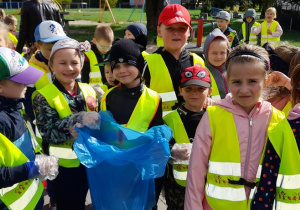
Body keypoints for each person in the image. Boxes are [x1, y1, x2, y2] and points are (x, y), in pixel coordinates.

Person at [185, 44, 300, 209]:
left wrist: (289, 83)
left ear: (267, 80)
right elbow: (195, 172)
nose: (244, 89)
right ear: (227, 81)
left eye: (253, 81)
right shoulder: (213, 116)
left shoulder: (277, 118)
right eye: (237, 82)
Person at [32, 38, 99, 209]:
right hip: (64, 169)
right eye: (62, 63)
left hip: (91, 162)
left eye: (74, 62)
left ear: (82, 64)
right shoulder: (43, 96)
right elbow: (47, 132)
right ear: (52, 66)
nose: (69, 68)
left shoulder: (89, 90)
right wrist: (75, 123)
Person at [100, 39, 164, 209]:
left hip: (143, 171)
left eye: (128, 64)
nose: (122, 70)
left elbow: (156, 134)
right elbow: (106, 135)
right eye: (116, 66)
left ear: (139, 66)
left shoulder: (154, 98)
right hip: (117, 169)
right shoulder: (108, 97)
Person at [0, 47, 59, 209]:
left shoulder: (13, 106)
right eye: (20, 80)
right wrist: (31, 168)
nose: (27, 83)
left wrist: (38, 159)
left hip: (29, 199)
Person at [143, 4, 205, 117]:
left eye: (182, 28)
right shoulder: (149, 63)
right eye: (170, 28)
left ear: (189, 32)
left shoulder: (198, 61)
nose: (176, 33)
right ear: (159, 31)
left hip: (193, 129)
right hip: (159, 130)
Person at [163, 65, 212, 209]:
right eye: (189, 89)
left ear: (210, 91)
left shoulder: (216, 116)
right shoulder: (169, 119)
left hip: (208, 185)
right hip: (178, 189)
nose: (194, 93)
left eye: (200, 89)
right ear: (180, 91)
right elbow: (159, 147)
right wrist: (172, 150)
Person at [203, 28, 230, 101]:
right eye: (214, 53)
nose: (218, 56)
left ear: (227, 53)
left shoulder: (232, 70)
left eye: (222, 53)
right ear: (206, 53)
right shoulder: (203, 74)